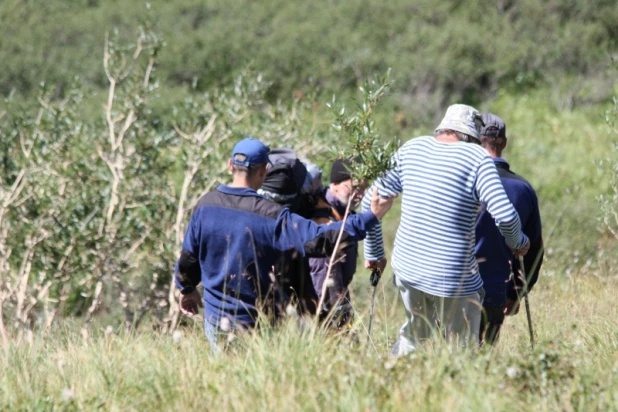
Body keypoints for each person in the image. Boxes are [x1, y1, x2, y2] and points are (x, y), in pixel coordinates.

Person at [174, 137, 395, 348]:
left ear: (230, 165)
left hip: (215, 319)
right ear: (264, 171)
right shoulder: (270, 215)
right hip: (256, 325)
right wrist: (370, 217)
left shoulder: (205, 205)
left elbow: (188, 258)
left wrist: (187, 290)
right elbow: (320, 239)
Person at [361, 104, 530, 356]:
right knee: (460, 351)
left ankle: (397, 381)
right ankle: (454, 390)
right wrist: (518, 241)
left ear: (441, 128)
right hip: (454, 278)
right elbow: (505, 215)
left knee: (414, 337)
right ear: (473, 137)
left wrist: (375, 253)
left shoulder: (412, 148)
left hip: (408, 270)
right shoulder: (477, 158)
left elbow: (369, 202)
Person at [475, 113, 544, 345]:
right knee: (483, 358)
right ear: (503, 143)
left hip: (450, 288)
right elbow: (534, 250)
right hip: (495, 292)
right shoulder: (523, 189)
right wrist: (516, 294)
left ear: (475, 141)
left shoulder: (461, 181)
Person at [308, 158, 368, 328]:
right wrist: (341, 321)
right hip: (322, 312)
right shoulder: (323, 220)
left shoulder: (343, 213)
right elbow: (324, 279)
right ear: (334, 184)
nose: (361, 194)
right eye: (355, 187)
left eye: (364, 188)